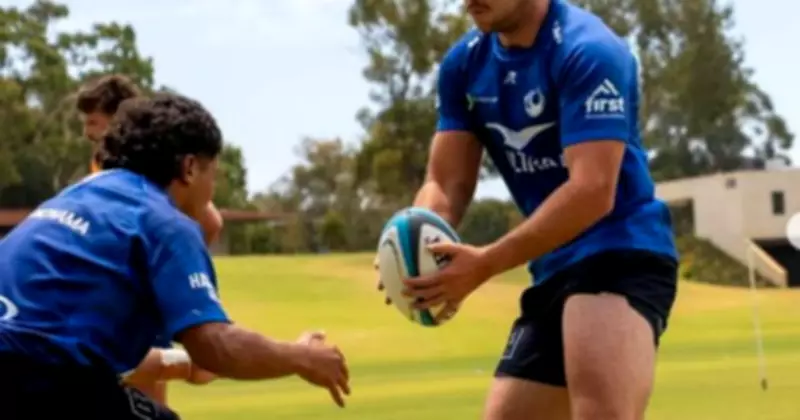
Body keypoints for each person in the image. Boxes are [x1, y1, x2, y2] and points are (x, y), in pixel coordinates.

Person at [380, 0, 678, 419]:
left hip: (620, 251)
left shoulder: (588, 49)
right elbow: (446, 182)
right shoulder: (464, 65)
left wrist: (485, 264)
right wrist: (415, 242)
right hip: (553, 266)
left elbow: (593, 190)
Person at [0, 93, 350, 419]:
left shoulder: (76, 196)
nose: (212, 190)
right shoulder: (163, 220)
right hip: (42, 381)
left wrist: (182, 364)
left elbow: (51, 338)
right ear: (190, 168)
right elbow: (213, 346)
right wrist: (301, 357)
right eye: (214, 173)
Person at [75, 74, 221, 404]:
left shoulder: (147, 167)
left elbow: (211, 221)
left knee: (146, 397)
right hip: (109, 301)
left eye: (94, 122)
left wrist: (171, 275)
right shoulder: (105, 164)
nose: (87, 132)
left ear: (118, 119)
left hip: (130, 301)